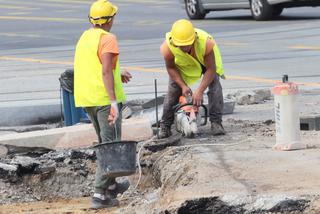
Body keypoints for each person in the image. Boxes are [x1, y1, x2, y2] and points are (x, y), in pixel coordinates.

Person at [74, 0, 132, 209]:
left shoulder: (86, 37)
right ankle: (99, 194)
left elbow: (99, 66)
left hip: (87, 98)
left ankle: (111, 187)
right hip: (103, 99)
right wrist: (114, 103)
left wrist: (119, 71)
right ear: (110, 19)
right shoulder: (108, 39)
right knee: (110, 146)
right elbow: (105, 71)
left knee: (105, 142)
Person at [159, 19, 225, 138]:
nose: (184, 48)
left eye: (187, 44)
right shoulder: (167, 48)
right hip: (184, 66)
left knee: (215, 86)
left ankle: (216, 123)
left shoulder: (206, 43)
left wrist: (199, 91)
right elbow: (171, 68)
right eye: (181, 46)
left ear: (194, 39)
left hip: (206, 63)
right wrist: (183, 86)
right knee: (173, 91)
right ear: (174, 42)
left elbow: (210, 69)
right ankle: (165, 126)